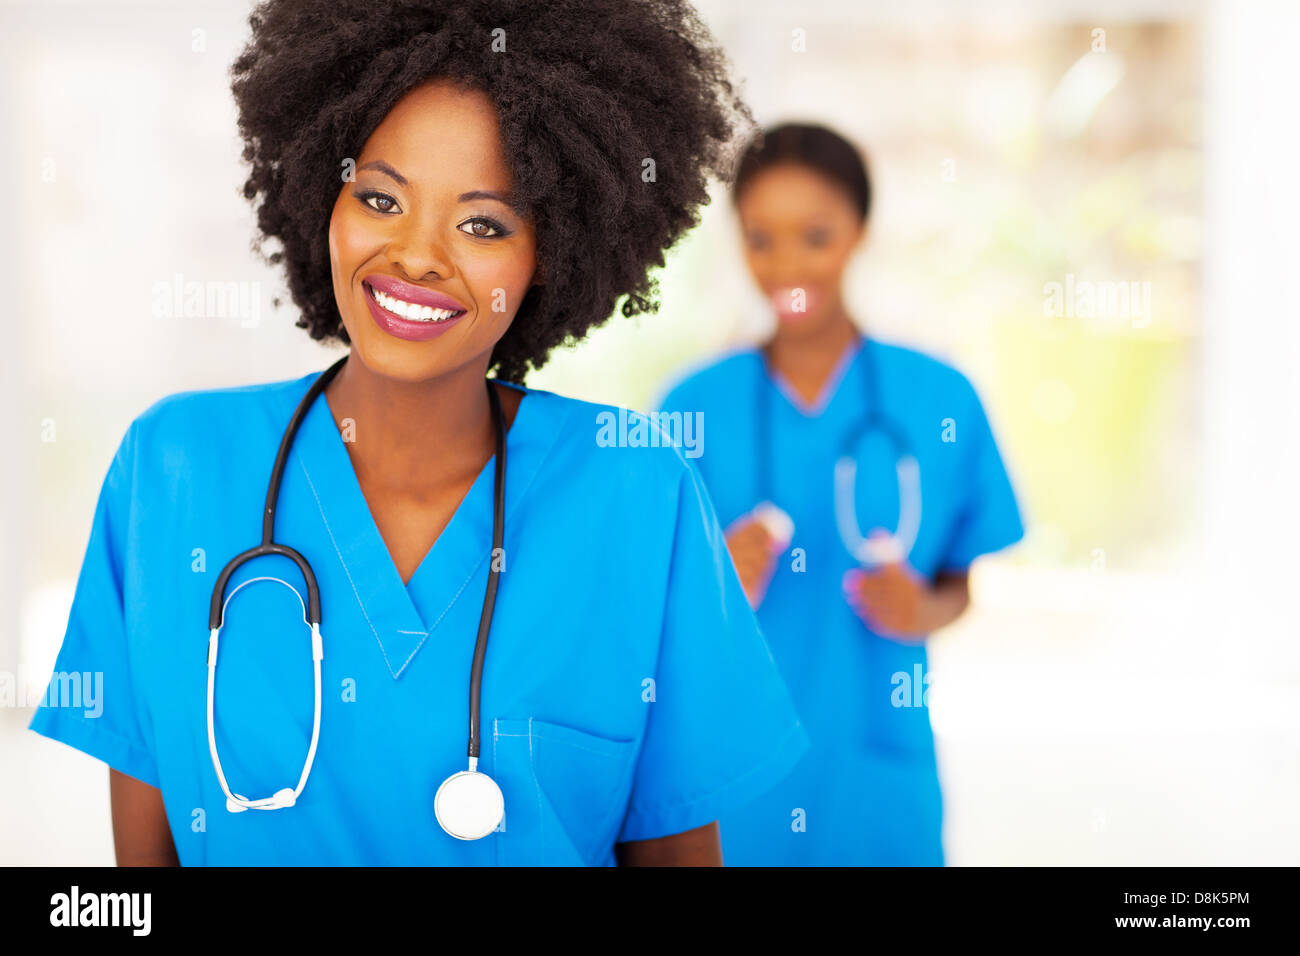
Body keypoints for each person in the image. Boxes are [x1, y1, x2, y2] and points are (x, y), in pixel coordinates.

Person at [27, 0, 809, 866]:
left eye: (483, 224)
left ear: (552, 250)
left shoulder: (637, 493)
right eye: (378, 197)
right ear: (324, 197)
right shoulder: (172, 469)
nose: (416, 255)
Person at [658, 124, 1025, 865]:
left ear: (859, 231)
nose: (787, 263)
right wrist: (710, 582)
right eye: (762, 239)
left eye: (815, 235)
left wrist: (921, 609)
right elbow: (646, 613)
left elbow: (959, 582)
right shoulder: (689, 407)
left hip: (878, 776)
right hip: (737, 783)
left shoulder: (939, 397)